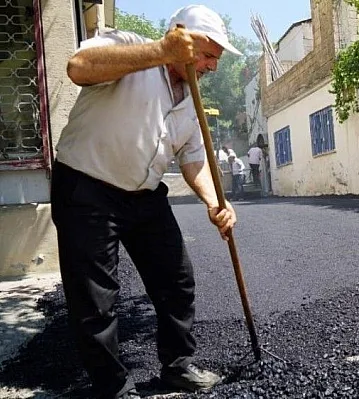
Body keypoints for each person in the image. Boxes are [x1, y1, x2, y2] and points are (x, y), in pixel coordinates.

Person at [50, 5, 242, 399]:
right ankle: (113, 387)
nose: (212, 67)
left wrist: (212, 201)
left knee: (177, 278)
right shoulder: (132, 48)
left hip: (144, 195)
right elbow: (78, 67)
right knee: (96, 300)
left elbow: (193, 161)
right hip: (87, 188)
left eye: (216, 60)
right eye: (208, 55)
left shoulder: (191, 103)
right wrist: (160, 51)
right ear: (182, 37)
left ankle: (177, 367)